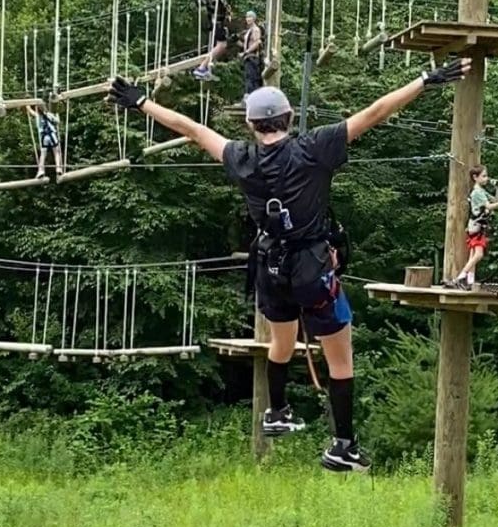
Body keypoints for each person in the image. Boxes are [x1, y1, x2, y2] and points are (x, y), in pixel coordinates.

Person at [107, 58, 470, 472]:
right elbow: (375, 113)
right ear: (290, 117)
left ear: (249, 124)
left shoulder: (240, 158)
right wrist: (424, 80)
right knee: (341, 360)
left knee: (281, 344)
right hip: (312, 270)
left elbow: (190, 128)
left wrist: (140, 103)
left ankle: (276, 410)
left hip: (270, 268)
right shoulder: (314, 148)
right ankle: (342, 444)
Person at [446, 165, 498, 290]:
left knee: (473, 255)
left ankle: (470, 281)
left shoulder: (481, 191)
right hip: (476, 227)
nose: (486, 178)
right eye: (483, 176)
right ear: (475, 177)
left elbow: (494, 201)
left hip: (477, 226)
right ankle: (460, 277)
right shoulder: (477, 192)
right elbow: (489, 207)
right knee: (479, 255)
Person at [189, 0, 232, 82]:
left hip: (216, 18)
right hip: (215, 19)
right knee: (222, 45)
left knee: (219, 45)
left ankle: (205, 68)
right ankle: (202, 68)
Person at [25, 102, 63, 179]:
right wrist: (57, 114)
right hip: (52, 135)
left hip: (44, 137)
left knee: (43, 155)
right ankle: (58, 168)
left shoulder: (38, 116)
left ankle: (41, 170)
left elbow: (30, 110)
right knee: (56, 152)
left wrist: (27, 105)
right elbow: (57, 122)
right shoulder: (49, 114)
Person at [240, 11, 264, 104]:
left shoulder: (255, 29)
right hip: (248, 56)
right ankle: (249, 96)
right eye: (247, 17)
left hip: (252, 57)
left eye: (250, 17)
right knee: (248, 77)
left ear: (254, 18)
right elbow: (248, 44)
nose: (248, 19)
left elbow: (257, 42)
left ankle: (251, 97)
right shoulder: (249, 30)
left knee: (251, 77)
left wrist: (246, 52)